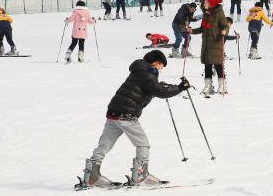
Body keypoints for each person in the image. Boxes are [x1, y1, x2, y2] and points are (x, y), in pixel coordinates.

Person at [79, 51, 191, 187]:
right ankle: (140, 176)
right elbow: (160, 91)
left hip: (114, 113)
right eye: (161, 66)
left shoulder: (139, 71)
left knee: (105, 145)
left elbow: (154, 88)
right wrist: (180, 88)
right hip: (127, 115)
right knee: (143, 144)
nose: (160, 69)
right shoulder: (149, 73)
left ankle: (92, 176)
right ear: (156, 63)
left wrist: (172, 87)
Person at [190, 0, 230, 95]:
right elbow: (202, 28)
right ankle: (208, 86)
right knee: (207, 65)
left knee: (218, 65)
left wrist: (224, 31)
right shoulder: (206, 14)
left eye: (206, 2)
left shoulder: (219, 13)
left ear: (211, 3)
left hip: (216, 43)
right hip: (207, 44)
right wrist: (192, 31)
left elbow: (225, 26)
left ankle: (222, 86)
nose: (204, 3)